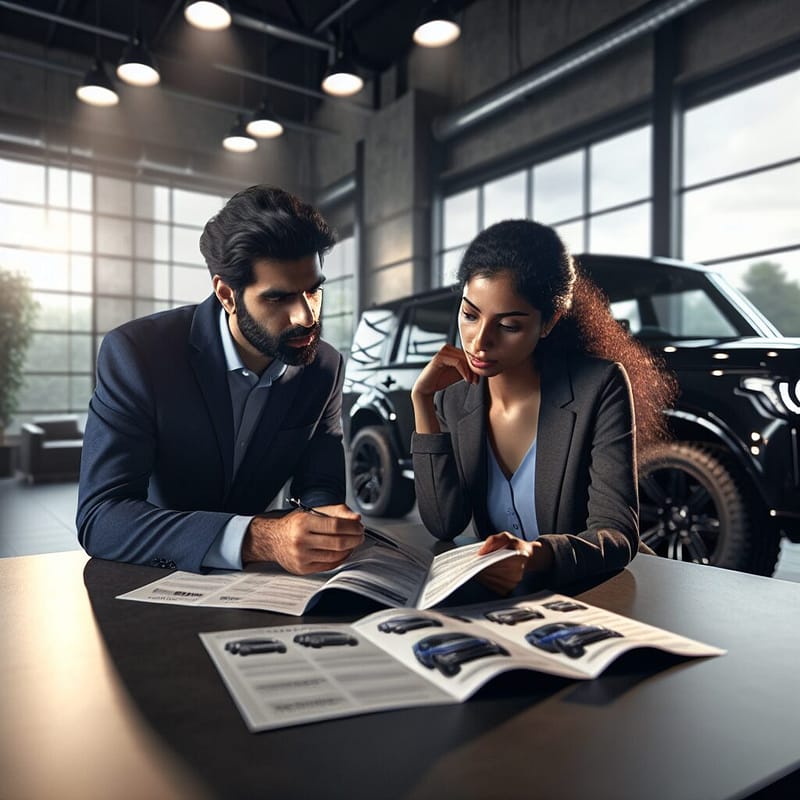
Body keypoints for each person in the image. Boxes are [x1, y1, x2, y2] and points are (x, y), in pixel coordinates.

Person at [77, 185, 365, 574]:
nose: (307, 317)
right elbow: (101, 518)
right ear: (227, 294)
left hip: (271, 589)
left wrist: (323, 524)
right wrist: (258, 539)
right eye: (279, 298)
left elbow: (321, 484)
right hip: (156, 579)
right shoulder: (137, 354)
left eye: (313, 291)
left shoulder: (323, 366)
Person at [411, 219, 676, 594]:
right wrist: (422, 402)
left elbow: (615, 533)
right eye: (470, 315)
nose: (480, 342)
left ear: (548, 322)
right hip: (511, 605)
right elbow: (443, 524)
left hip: (600, 590)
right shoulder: (452, 399)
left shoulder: (597, 386)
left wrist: (537, 557)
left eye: (509, 326)